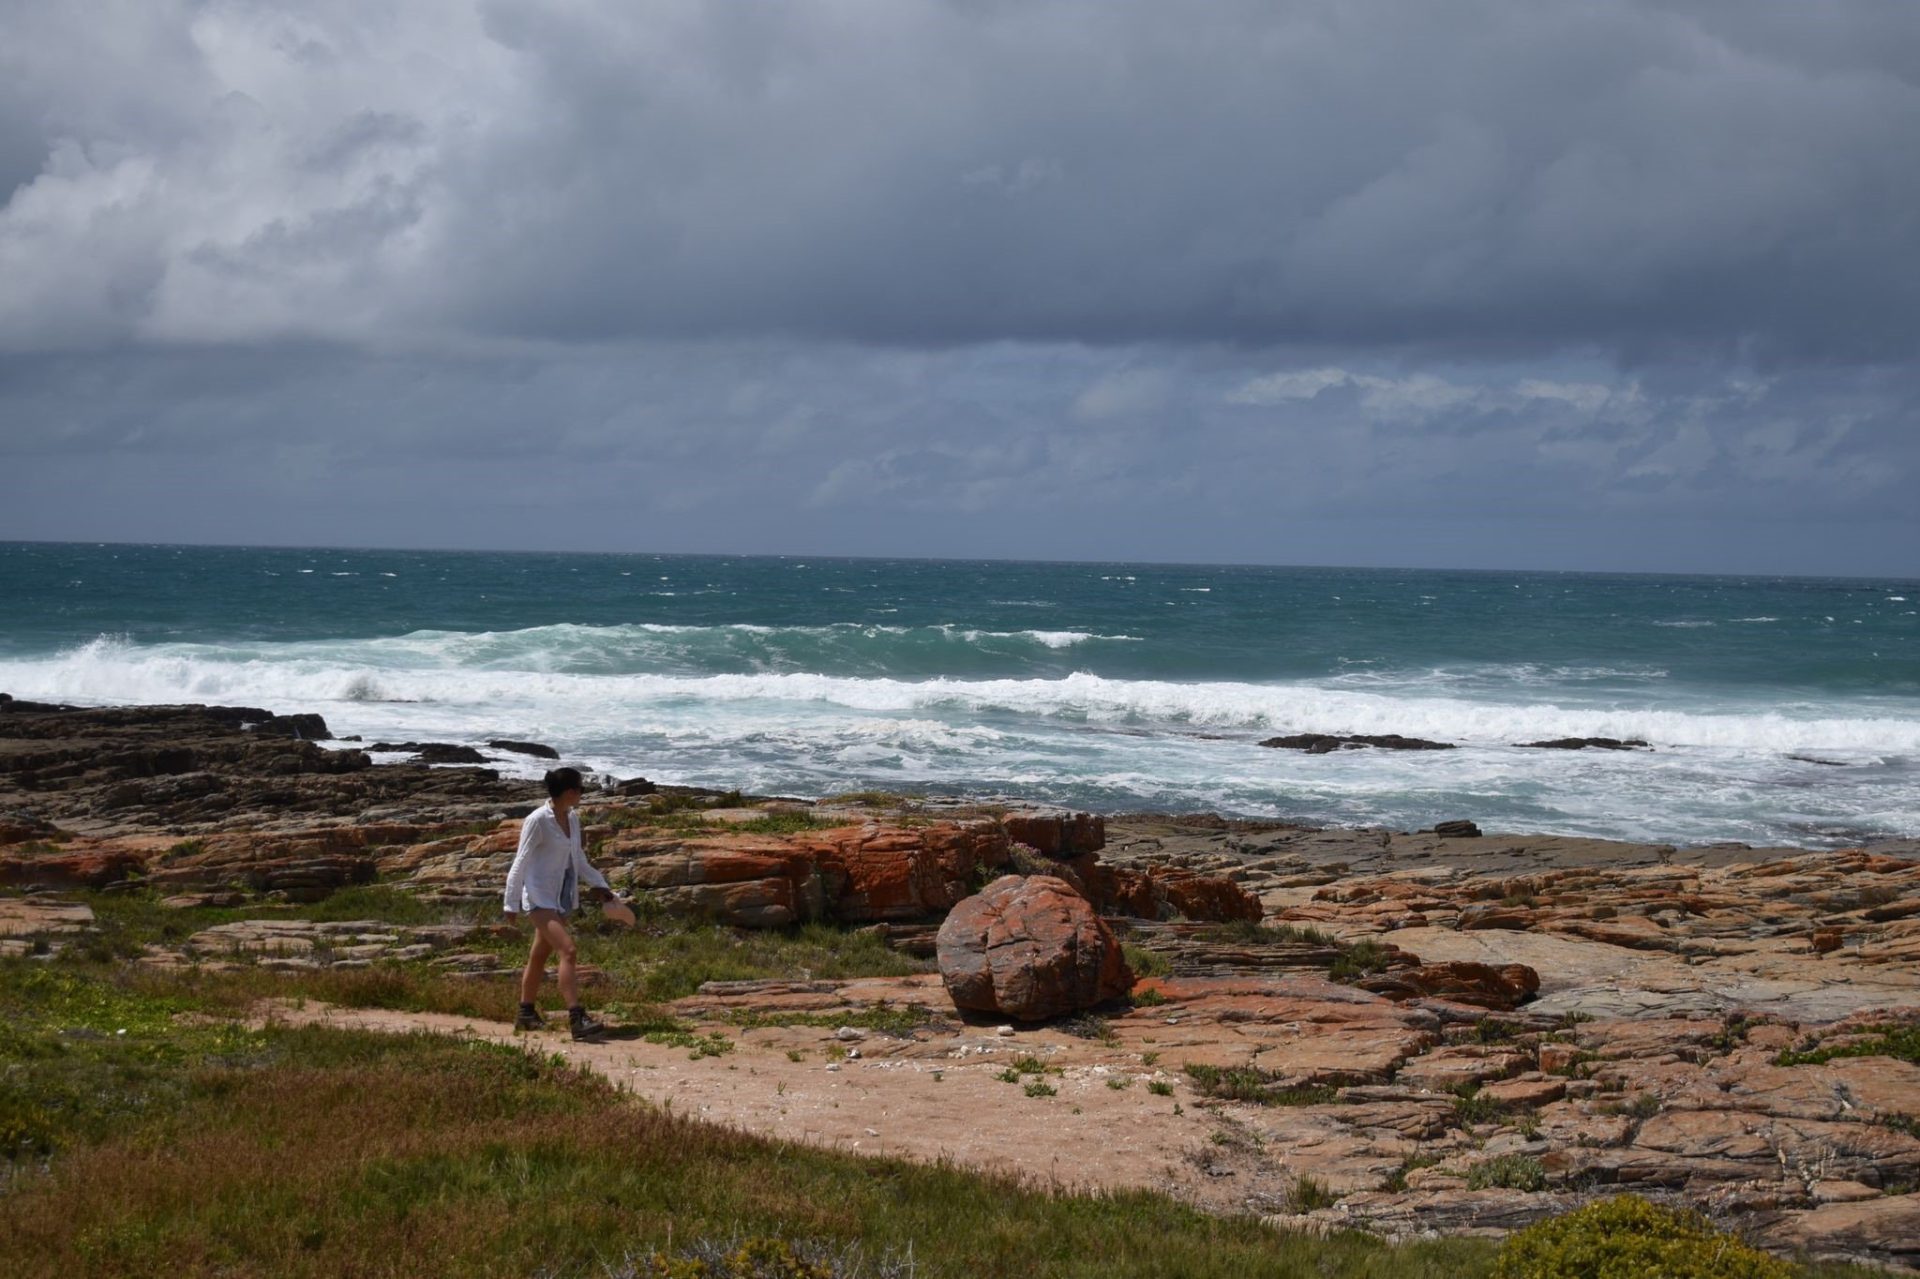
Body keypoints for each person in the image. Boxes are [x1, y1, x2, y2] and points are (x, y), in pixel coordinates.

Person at [503, 766, 613, 1041]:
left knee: (539, 955)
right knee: (568, 950)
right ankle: (577, 1018)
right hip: (539, 898)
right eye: (580, 790)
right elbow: (520, 862)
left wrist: (601, 886)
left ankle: (526, 1013)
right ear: (569, 792)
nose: (582, 795)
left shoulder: (572, 819)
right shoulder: (537, 820)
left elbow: (579, 860)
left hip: (560, 896)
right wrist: (511, 903)